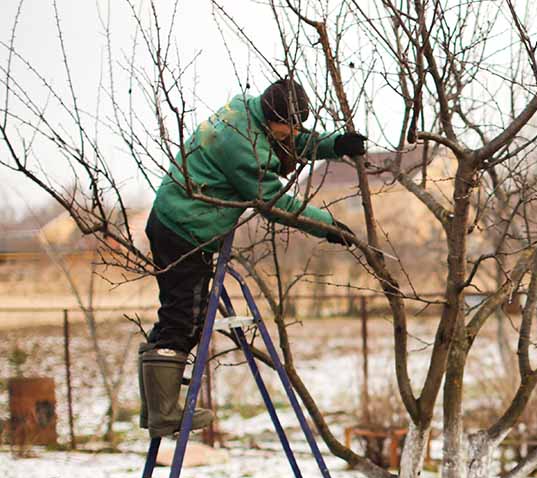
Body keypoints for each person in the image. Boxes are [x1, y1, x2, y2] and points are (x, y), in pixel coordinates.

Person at [138, 77, 366, 438]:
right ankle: (164, 413)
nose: (293, 132)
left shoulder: (249, 110)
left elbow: (288, 142)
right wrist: (328, 226)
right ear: (272, 116)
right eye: (288, 125)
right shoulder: (243, 147)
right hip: (184, 229)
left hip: (177, 220)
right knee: (183, 319)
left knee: (177, 315)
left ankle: (154, 408)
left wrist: (334, 144)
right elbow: (275, 203)